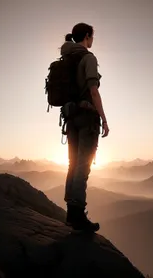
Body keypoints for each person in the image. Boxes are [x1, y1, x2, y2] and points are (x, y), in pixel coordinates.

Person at [60, 23, 109, 232]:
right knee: (83, 166)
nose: (92, 41)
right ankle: (78, 214)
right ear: (87, 36)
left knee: (73, 164)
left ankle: (71, 213)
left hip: (70, 118)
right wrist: (104, 119)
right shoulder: (88, 58)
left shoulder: (66, 58)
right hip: (87, 118)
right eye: (92, 37)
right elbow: (93, 90)